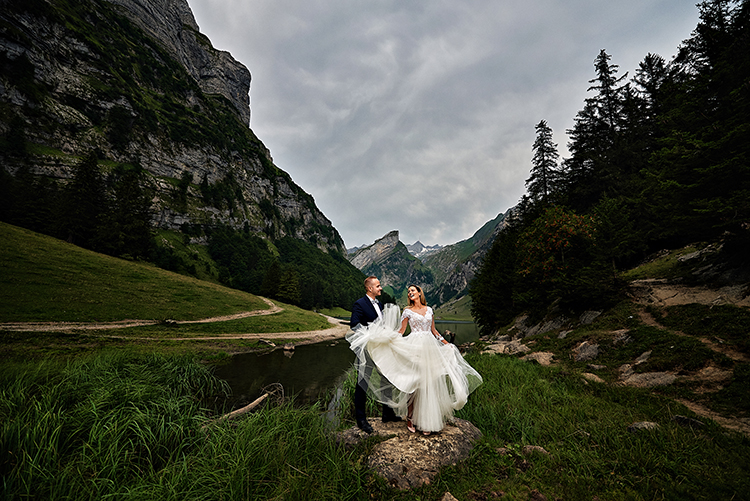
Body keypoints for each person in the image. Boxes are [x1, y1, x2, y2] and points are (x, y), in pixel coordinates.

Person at [347, 284, 482, 436]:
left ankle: (427, 421)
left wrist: (446, 343)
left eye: (413, 290)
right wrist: (387, 340)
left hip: (430, 347)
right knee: (415, 382)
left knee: (428, 383)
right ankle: (410, 418)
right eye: (409, 291)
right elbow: (401, 331)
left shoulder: (429, 309)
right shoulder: (407, 311)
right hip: (414, 347)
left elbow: (434, 331)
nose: (410, 293)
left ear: (419, 293)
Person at [348, 276, 401, 433]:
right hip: (367, 350)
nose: (381, 288)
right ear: (369, 288)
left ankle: (388, 413)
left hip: (381, 350)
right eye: (378, 286)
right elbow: (354, 324)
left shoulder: (379, 304)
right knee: (362, 382)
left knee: (386, 379)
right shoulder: (359, 304)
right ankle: (361, 419)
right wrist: (370, 335)